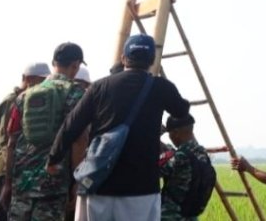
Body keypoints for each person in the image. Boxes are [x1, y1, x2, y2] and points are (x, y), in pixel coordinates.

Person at [48, 34, 190, 220]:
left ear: (123, 58)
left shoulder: (99, 87)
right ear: (152, 61)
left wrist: (53, 158)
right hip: (140, 189)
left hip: (98, 184)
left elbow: (71, 125)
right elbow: (181, 110)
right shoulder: (161, 87)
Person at [3, 44, 87, 221]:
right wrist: (76, 182)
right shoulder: (76, 94)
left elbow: (11, 143)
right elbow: (79, 141)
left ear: (53, 63)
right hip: (54, 187)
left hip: (22, 185)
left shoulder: (24, 96)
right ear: (76, 65)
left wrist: (8, 183)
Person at [0, 63, 50, 221]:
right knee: (3, 211)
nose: (44, 85)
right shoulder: (13, 100)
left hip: (16, 163)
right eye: (41, 80)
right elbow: (7, 136)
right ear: (27, 79)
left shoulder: (29, 99)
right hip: (7, 164)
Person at [159, 114, 211, 220]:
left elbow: (153, 171)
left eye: (170, 134)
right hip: (191, 215)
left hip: (171, 215)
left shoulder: (180, 157)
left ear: (176, 133)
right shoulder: (202, 154)